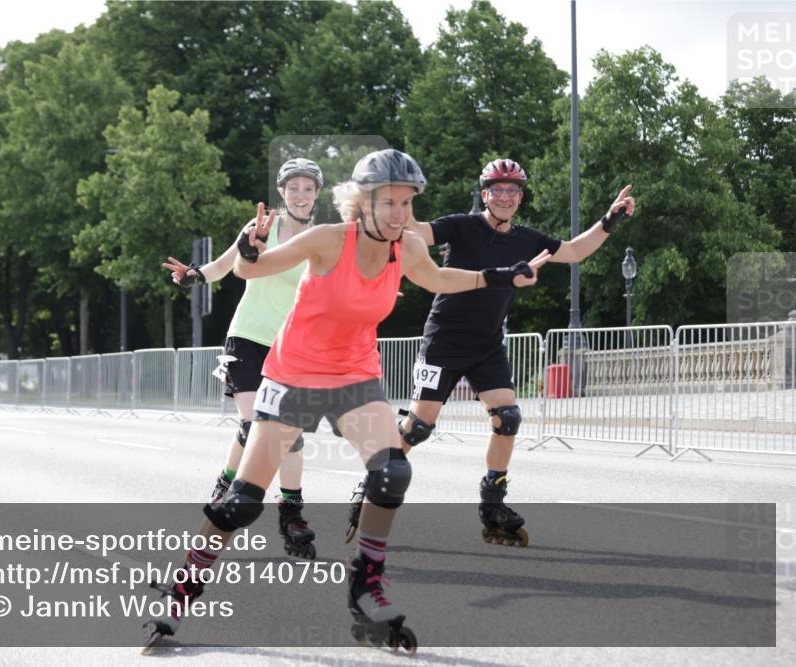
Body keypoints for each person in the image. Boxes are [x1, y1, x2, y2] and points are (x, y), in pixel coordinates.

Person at [143, 149, 550, 650]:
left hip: (355, 375)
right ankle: (182, 589)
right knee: (242, 503)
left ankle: (366, 586)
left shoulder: (406, 246)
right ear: (363, 202)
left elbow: (440, 279)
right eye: (389, 203)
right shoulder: (329, 239)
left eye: (407, 203)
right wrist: (248, 250)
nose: (400, 214)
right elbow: (253, 270)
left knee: (391, 471)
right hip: (295, 374)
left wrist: (500, 275)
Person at [344, 158, 636, 547]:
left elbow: (574, 251)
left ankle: (492, 503)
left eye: (512, 190)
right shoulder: (461, 226)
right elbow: (415, 230)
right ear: (485, 194)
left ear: (520, 197)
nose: (505, 197)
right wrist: (388, 197)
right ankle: (373, 479)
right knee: (418, 426)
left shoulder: (527, 239)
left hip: (487, 344)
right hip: (444, 340)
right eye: (497, 190)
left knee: (507, 416)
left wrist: (610, 221)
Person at [162, 158, 324, 559]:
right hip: (249, 338)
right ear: (282, 192)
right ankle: (227, 486)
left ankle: (291, 513)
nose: (300, 194)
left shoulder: (322, 238)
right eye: (293, 187)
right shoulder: (263, 227)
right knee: (255, 424)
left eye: (308, 188)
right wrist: (195, 275)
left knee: (290, 434)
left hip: (291, 346)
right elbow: (226, 266)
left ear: (317, 194)